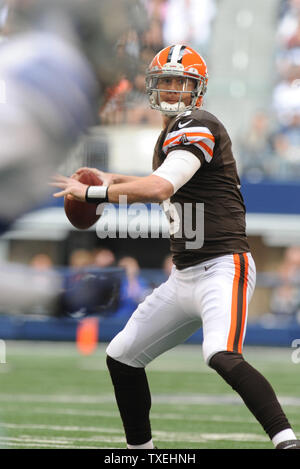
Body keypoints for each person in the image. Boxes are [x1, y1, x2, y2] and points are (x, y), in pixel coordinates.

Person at [51, 44, 300, 449]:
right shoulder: (171, 134)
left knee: (220, 354)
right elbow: (159, 178)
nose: (170, 88)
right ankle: (141, 452)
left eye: (179, 81)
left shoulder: (199, 123)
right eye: (164, 80)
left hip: (224, 265)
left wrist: (96, 191)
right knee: (122, 356)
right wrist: (105, 176)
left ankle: (287, 441)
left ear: (196, 89)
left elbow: (159, 187)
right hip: (184, 275)